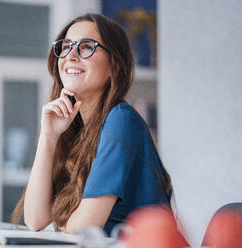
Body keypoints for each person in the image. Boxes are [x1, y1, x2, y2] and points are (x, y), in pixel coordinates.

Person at [11, 13, 173, 236]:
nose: (71, 56)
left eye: (86, 47)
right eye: (65, 47)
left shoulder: (121, 120)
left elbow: (84, 227)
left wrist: (60, 224)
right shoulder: (78, 130)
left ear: (114, 66)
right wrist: (48, 136)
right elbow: (35, 219)